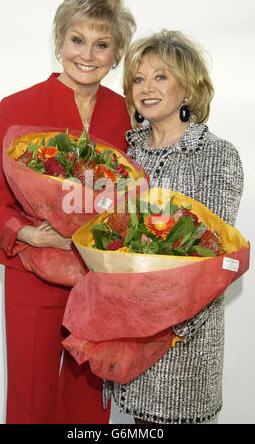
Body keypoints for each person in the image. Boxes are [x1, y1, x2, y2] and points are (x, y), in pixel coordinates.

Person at [0, 0, 136, 424]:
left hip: (98, 283)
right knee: (31, 397)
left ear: (116, 53)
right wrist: (29, 233)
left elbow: (135, 196)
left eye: (102, 44)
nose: (87, 54)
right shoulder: (18, 108)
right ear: (59, 43)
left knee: (89, 404)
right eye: (77, 40)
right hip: (34, 275)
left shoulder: (126, 115)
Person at [103, 29, 244, 424]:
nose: (146, 88)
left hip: (182, 344)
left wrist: (170, 329)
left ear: (188, 88)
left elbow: (213, 255)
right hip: (126, 340)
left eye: (160, 76)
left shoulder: (215, 154)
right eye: (138, 79)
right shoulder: (125, 153)